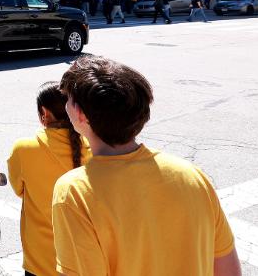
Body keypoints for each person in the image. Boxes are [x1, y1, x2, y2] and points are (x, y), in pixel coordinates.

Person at [52, 56, 241, 276]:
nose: (65, 105)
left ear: (81, 115)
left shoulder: (75, 192)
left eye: (68, 99)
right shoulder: (192, 176)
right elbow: (228, 270)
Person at [7, 82, 91, 276]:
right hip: (81, 259)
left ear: (44, 113)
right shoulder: (92, 148)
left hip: (40, 258)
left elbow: (19, 190)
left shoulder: (24, 149)